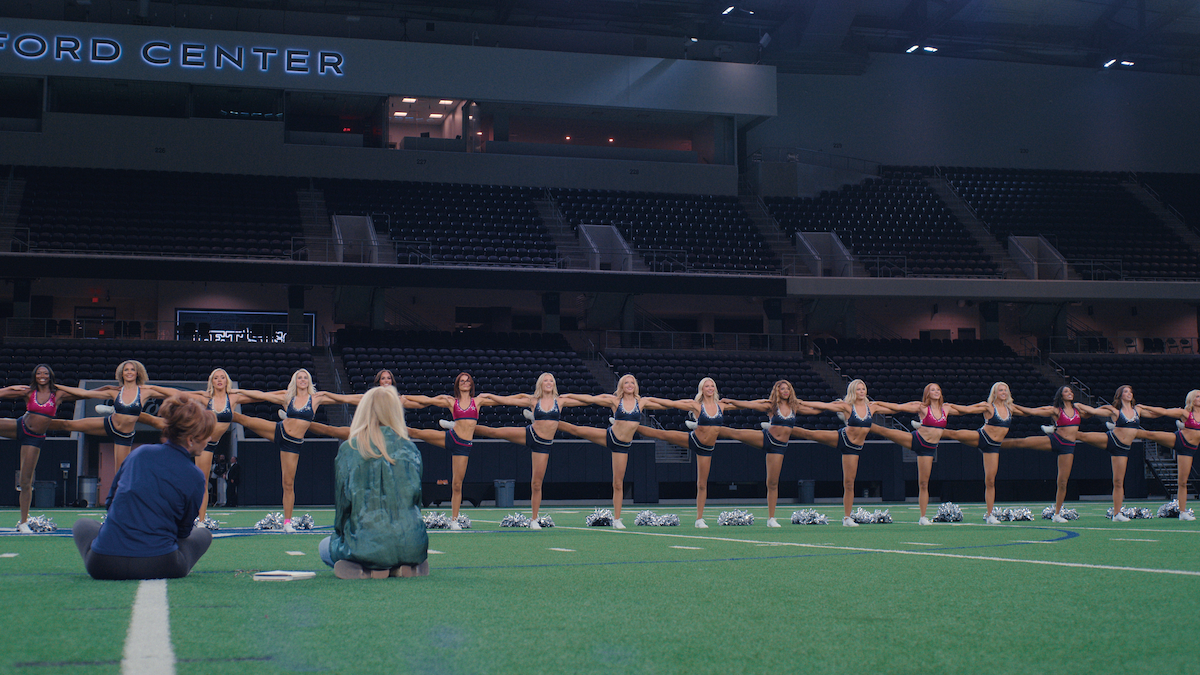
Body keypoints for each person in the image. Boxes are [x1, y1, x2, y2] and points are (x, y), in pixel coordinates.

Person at [72, 396, 215, 580]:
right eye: (206, 435)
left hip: (103, 564)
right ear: (190, 440)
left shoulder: (139, 453)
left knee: (82, 524)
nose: (209, 439)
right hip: (162, 564)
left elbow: (110, 503)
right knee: (203, 533)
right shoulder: (196, 476)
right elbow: (183, 532)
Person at [319, 387, 429, 579]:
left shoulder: (350, 448)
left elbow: (343, 509)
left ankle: (370, 568)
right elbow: (417, 501)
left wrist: (342, 537)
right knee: (402, 545)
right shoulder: (411, 449)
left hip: (365, 542)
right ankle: (403, 565)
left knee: (323, 548)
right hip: (412, 543)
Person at [470, 373, 589, 529]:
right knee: (495, 432)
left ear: (554, 384)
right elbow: (507, 401)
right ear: (540, 384)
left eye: (551, 380)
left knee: (536, 483)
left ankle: (534, 519)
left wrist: (607, 400)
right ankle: (462, 427)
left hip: (543, 444)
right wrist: (489, 395)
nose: (549, 382)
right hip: (530, 434)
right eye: (545, 380)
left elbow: (586, 400)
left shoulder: (560, 401)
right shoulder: (534, 400)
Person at [0, 366, 106, 532]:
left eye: (46, 373)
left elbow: (85, 394)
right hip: (19, 425)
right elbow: (3, 394)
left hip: (34, 438)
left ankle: (23, 522)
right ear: (35, 376)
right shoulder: (29, 392)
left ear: (50, 376)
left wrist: (108, 390)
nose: (42, 376)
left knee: (25, 481)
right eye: (39, 373)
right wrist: (9, 388)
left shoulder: (58, 394)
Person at [559, 374, 672, 529]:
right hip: (609, 436)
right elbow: (590, 399)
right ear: (621, 386)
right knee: (577, 430)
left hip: (622, 446)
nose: (630, 385)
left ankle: (617, 519)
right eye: (626, 382)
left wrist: (685, 405)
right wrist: (567, 396)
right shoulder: (615, 401)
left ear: (636, 385)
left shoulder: (641, 402)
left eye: (632, 382)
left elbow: (664, 404)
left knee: (618, 483)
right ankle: (543, 419)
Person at [232, 369, 339, 532]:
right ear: (295, 381)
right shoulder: (287, 396)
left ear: (309, 381)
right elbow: (261, 395)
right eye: (299, 377)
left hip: (292, 444)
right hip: (278, 430)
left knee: (288, 483)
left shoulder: (316, 398)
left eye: (305, 378)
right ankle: (216, 411)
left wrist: (370, 398)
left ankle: (287, 523)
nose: (302, 380)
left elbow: (344, 398)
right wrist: (234, 391)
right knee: (244, 419)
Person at [403, 372, 508, 530]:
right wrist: (403, 398)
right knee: (415, 432)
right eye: (462, 381)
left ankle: (454, 520)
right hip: (451, 437)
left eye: (468, 381)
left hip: (463, 445)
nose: (465, 383)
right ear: (458, 385)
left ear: (471, 385)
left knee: (457, 484)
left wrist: (489, 394)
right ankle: (386, 427)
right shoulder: (451, 401)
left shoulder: (477, 401)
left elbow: (502, 401)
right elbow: (427, 400)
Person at [719, 380, 825, 527]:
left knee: (772, 482)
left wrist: (831, 407)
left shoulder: (795, 407)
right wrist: (730, 400)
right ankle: (704, 427)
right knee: (736, 433)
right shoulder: (772, 405)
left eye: (788, 388)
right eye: (782, 389)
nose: (786, 391)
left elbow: (815, 410)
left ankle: (771, 518)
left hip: (779, 447)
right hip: (766, 438)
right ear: (778, 391)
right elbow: (749, 405)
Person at [867, 383, 976, 525]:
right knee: (885, 431)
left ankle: (923, 517)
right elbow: (897, 407)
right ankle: (860, 421)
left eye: (938, 389)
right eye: (933, 390)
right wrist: (876, 404)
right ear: (927, 394)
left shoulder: (946, 408)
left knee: (923, 483)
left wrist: (985, 407)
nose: (936, 391)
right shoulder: (922, 407)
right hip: (916, 439)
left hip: (928, 449)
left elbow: (966, 410)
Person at [630, 378, 727, 528]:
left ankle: (699, 519)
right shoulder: (696, 405)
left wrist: (768, 404)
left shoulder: (721, 405)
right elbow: (671, 403)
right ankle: (629, 425)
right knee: (662, 434)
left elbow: (743, 405)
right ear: (702, 389)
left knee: (702, 484)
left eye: (712, 385)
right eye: (707, 386)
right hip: (694, 439)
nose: (710, 388)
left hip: (707, 448)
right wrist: (648, 399)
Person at [49, 360, 178, 472]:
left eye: (132, 369)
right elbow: (84, 393)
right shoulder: (115, 391)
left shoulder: (145, 392)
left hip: (124, 435)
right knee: (68, 424)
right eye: (126, 370)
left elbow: (174, 393)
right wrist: (56, 386)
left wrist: (153, 386)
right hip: (109, 424)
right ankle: (38, 424)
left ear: (137, 373)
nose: (129, 372)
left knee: (121, 474)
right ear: (121, 373)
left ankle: (117, 500)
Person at [1002, 385, 1103, 523]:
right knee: (1023, 442)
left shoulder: (1077, 409)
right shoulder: (1056, 410)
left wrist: (1092, 409)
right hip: (1055, 440)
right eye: (1066, 391)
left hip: (1068, 447)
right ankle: (996, 443)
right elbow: (1033, 411)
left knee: (1062, 482)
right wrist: (1011, 405)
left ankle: (1057, 514)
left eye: (1071, 391)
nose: (1070, 393)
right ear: (1061, 396)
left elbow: (1093, 412)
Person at [937, 382, 1030, 524]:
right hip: (981, 437)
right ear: (995, 393)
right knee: (954, 434)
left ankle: (990, 515)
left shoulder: (1010, 408)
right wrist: (948, 407)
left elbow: (1031, 412)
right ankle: (927, 429)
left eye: (1005, 390)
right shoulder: (988, 406)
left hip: (993, 447)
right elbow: (967, 410)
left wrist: (1052, 413)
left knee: (990, 481)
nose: (1003, 392)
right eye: (1000, 390)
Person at [790, 379, 878, 527]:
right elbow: (824, 405)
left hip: (854, 448)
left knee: (849, 483)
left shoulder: (872, 407)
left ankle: (847, 519)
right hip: (842, 438)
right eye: (858, 389)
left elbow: (894, 407)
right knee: (811, 434)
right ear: (853, 392)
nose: (861, 392)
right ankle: (779, 428)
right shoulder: (847, 406)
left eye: (863, 389)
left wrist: (917, 407)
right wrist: (802, 402)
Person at [1074, 385, 1143, 522]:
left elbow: (1158, 412)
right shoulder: (1114, 411)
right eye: (1126, 391)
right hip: (1110, 439)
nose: (1129, 393)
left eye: (1130, 391)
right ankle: (1058, 430)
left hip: (1122, 449)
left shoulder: (1138, 410)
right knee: (1082, 436)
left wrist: (1176, 411)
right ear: (1120, 395)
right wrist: (1077, 404)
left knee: (1118, 481)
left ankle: (1117, 514)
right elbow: (1093, 411)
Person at [1137, 389, 1200, 521]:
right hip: (1178, 439)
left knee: (1182, 482)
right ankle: (1123, 430)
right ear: (1192, 399)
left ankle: (1182, 513)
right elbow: (1164, 411)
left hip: (1189, 449)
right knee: (1151, 434)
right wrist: (1145, 407)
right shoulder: (1185, 413)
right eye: (1198, 396)